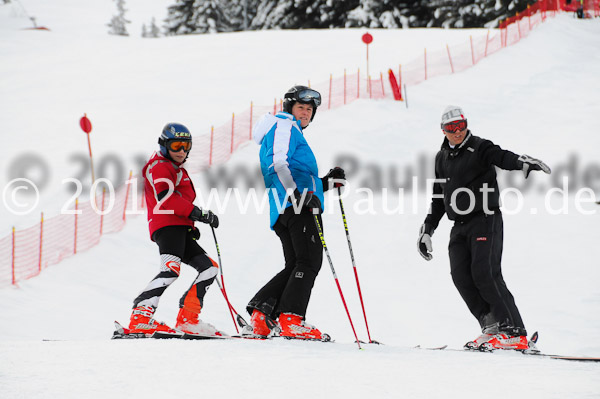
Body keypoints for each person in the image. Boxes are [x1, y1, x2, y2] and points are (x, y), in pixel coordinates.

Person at [418, 105, 551, 350]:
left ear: (466, 124)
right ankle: (491, 326)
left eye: (461, 125)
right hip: (458, 225)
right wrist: (428, 228)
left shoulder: (479, 147)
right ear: (443, 130)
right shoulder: (441, 158)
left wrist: (521, 161)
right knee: (460, 275)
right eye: (451, 128)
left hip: (485, 218)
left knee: (486, 273)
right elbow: (438, 197)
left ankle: (514, 331)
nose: (457, 131)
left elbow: (501, 156)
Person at [244, 85, 345, 340]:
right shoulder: (285, 125)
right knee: (310, 261)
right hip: (296, 206)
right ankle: (291, 317)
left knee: (298, 263)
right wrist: (296, 194)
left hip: (288, 206)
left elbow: (298, 176)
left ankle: (262, 313)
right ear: (290, 107)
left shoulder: (286, 130)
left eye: (310, 109)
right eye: (301, 107)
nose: (306, 113)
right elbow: (277, 163)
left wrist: (327, 183)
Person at [128, 123, 222, 337]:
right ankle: (141, 316)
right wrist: (197, 213)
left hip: (178, 226)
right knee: (171, 269)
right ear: (164, 145)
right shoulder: (160, 166)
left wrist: (191, 224)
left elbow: (178, 201)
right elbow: (166, 197)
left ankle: (188, 318)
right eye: (176, 145)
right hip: (166, 226)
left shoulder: (175, 168)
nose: (181, 151)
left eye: (185, 146)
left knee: (209, 269)